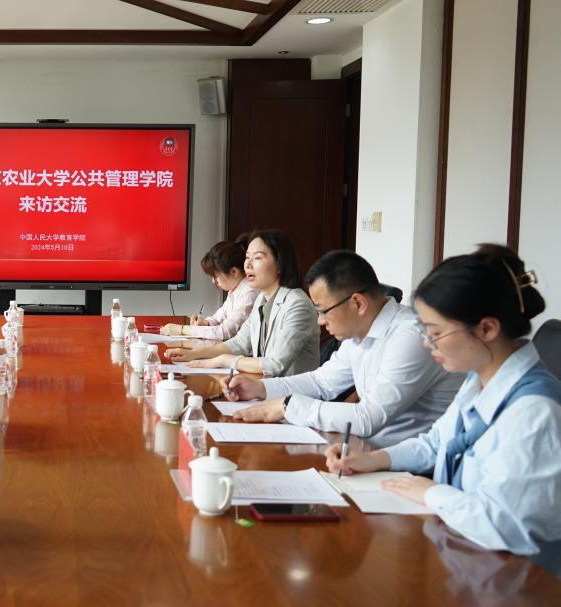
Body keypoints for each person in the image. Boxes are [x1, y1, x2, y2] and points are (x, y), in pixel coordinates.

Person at [326, 245, 561, 577]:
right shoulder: (479, 377)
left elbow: (505, 527)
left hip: (518, 581)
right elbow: (436, 442)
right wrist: (374, 460)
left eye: (436, 333)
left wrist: (432, 493)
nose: (427, 343)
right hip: (465, 558)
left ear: (487, 329)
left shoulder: (534, 411)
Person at [221, 250, 463, 447]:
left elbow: (368, 417)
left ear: (358, 303)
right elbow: (321, 382)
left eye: (323, 310)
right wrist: (260, 388)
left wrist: (288, 406)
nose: (320, 321)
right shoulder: (359, 333)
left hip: (408, 468)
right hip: (367, 454)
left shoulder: (409, 337)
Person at [166, 229, 319, 377]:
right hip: (264, 385)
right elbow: (240, 342)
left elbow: (275, 364)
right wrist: (194, 354)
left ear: (279, 264)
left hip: (290, 392)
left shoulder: (298, 304)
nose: (247, 265)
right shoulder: (262, 298)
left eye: (257, 258)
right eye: (247, 257)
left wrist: (223, 360)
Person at [160, 235, 258, 341]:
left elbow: (225, 332)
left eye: (215, 276)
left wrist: (182, 330)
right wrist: (205, 323)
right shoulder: (235, 290)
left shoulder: (249, 293)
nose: (213, 281)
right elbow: (219, 317)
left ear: (233, 272)